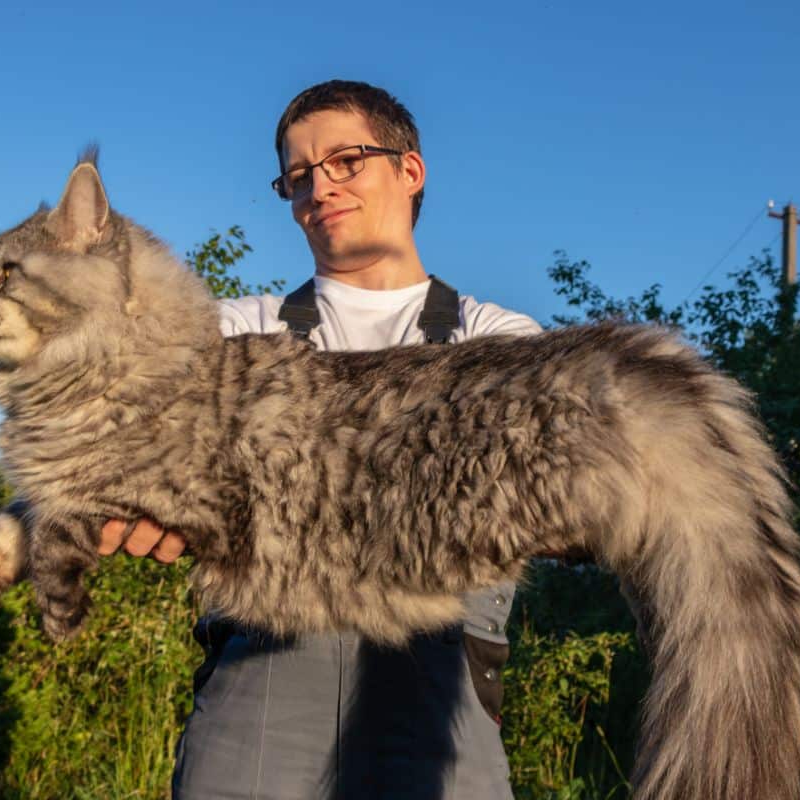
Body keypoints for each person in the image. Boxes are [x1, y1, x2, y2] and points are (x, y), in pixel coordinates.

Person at [98, 80, 541, 799]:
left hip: (440, 697)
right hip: (258, 686)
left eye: (345, 161)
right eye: (298, 175)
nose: (318, 188)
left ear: (410, 170)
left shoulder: (501, 340)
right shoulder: (234, 329)